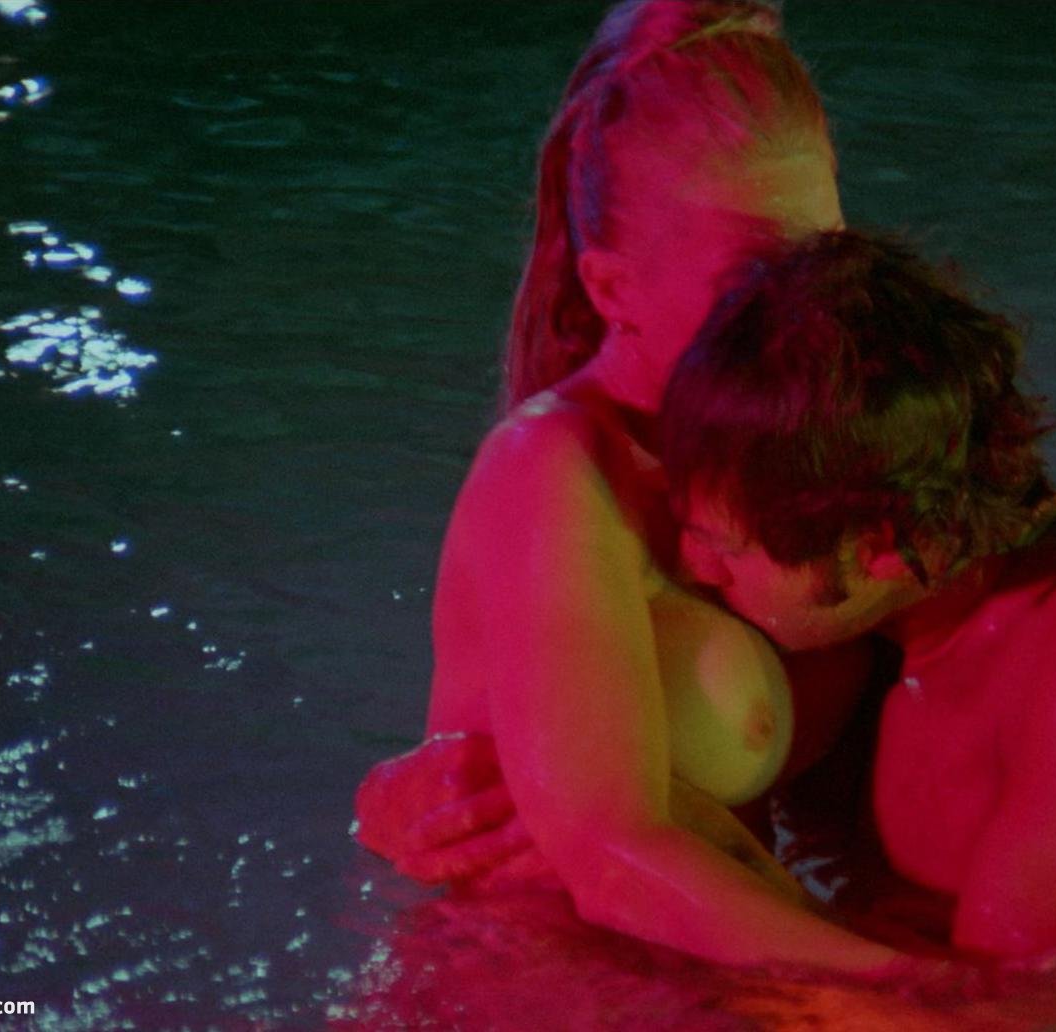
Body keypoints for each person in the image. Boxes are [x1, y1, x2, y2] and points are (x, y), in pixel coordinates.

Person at [357, 0, 914, 974]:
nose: (809, 310)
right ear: (614, 290)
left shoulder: (852, 426)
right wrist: (917, 1001)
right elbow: (611, 862)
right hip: (540, 993)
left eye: (821, 256)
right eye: (752, 279)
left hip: (742, 978)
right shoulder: (554, 471)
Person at [658, 229, 1056, 955]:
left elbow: (1028, 1008)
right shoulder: (874, 629)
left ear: (882, 546)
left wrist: (685, 849)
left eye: (725, 549)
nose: (694, 567)